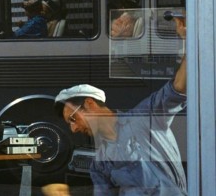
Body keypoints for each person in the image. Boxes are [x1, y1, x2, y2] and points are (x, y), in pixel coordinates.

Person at [43, 12, 187, 196]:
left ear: (89, 104)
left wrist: (187, 40)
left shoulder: (145, 117)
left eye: (73, 118)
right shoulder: (99, 165)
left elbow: (179, 88)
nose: (73, 129)